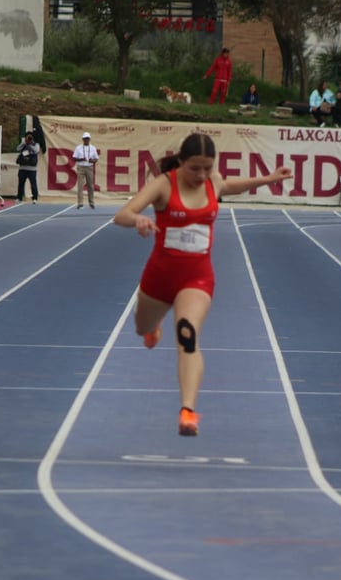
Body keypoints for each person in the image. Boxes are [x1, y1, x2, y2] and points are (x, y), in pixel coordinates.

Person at [113, 133, 293, 437]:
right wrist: (138, 221)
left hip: (197, 278)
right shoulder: (164, 184)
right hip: (159, 277)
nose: (202, 175)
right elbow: (122, 214)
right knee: (141, 327)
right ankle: (150, 328)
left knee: (187, 334)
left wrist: (269, 178)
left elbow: (232, 186)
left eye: (208, 168)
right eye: (195, 168)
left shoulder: (213, 181)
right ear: (181, 162)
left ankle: (188, 411)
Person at [72, 132, 98, 208]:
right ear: (83, 139)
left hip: (89, 167)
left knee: (90, 185)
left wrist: (91, 160)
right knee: (80, 185)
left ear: (89, 139)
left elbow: (96, 159)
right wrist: (81, 159)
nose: (86, 140)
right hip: (81, 167)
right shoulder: (78, 147)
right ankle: (80, 202)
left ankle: (91, 202)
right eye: (85, 138)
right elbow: (74, 157)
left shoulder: (93, 148)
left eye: (88, 138)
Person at [15, 131, 40, 205]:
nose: (29, 138)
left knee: (33, 184)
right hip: (22, 168)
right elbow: (17, 149)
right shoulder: (23, 144)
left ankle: (35, 198)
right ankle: (19, 198)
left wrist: (30, 144)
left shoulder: (36, 145)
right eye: (27, 137)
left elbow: (36, 151)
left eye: (30, 137)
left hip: (32, 169)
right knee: (21, 184)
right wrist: (24, 143)